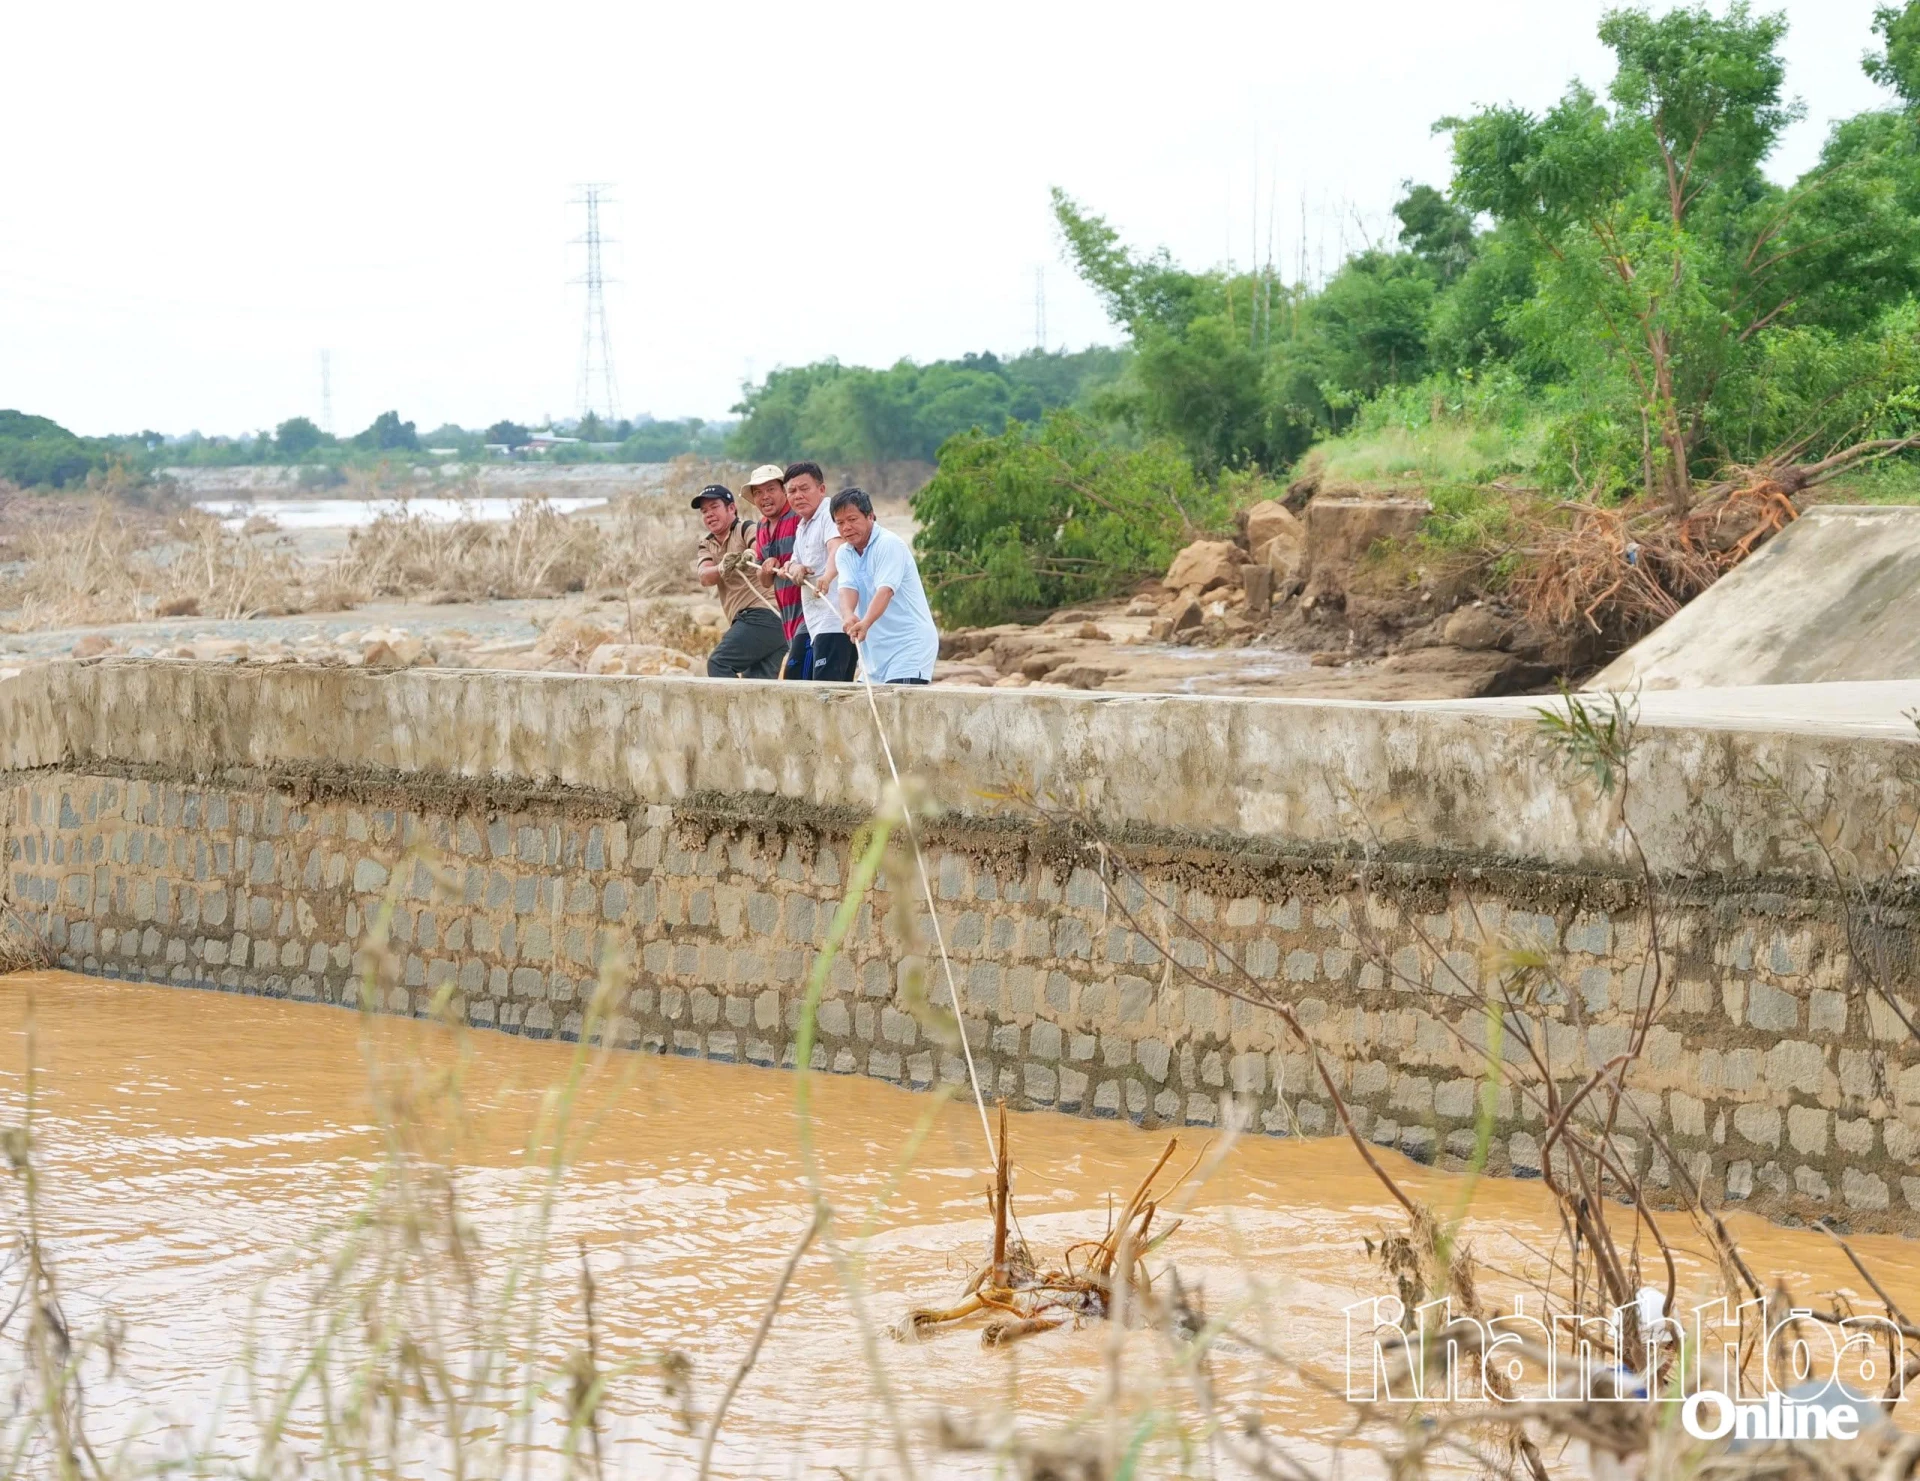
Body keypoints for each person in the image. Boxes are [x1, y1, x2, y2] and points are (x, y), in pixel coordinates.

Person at [831, 488, 939, 684]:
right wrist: (848, 615)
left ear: (870, 516)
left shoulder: (889, 544)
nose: (846, 527)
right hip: (874, 652)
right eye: (840, 523)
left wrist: (865, 623)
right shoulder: (844, 553)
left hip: (909, 647)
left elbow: (886, 590)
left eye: (852, 519)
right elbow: (847, 588)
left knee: (898, 713)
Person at [692, 484, 783, 678]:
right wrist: (723, 567)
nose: (709, 514)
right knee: (756, 689)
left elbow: (758, 548)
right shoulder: (706, 544)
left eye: (714, 507)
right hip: (754, 623)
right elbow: (705, 576)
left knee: (719, 662)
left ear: (731, 508)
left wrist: (749, 554)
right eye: (704, 511)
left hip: (764, 614)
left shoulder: (746, 528)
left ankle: (725, 710)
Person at [779, 460, 856, 682]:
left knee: (827, 690)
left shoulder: (829, 514)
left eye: (804, 488)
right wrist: (796, 568)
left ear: (821, 489)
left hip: (835, 620)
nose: (798, 495)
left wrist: (828, 576)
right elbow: (792, 563)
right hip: (813, 621)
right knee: (794, 680)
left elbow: (837, 547)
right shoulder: (802, 526)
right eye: (792, 491)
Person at [744, 463, 808, 680]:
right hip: (787, 617)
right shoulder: (761, 527)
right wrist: (767, 567)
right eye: (758, 493)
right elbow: (765, 581)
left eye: (771, 489)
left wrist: (789, 565)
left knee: (797, 676)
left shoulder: (800, 517)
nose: (765, 497)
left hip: (809, 613)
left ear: (784, 491)